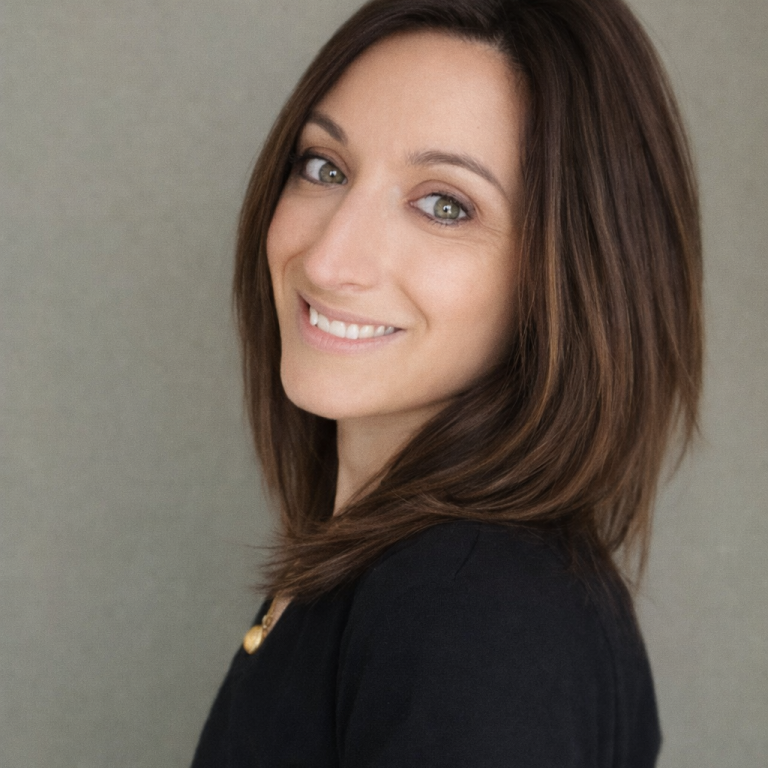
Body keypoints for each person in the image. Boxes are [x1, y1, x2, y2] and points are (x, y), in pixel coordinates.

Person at [192, 0, 702, 765]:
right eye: (325, 167)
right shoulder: (406, 571)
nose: (329, 260)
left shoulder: (475, 612)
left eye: (444, 205)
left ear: (569, 276)